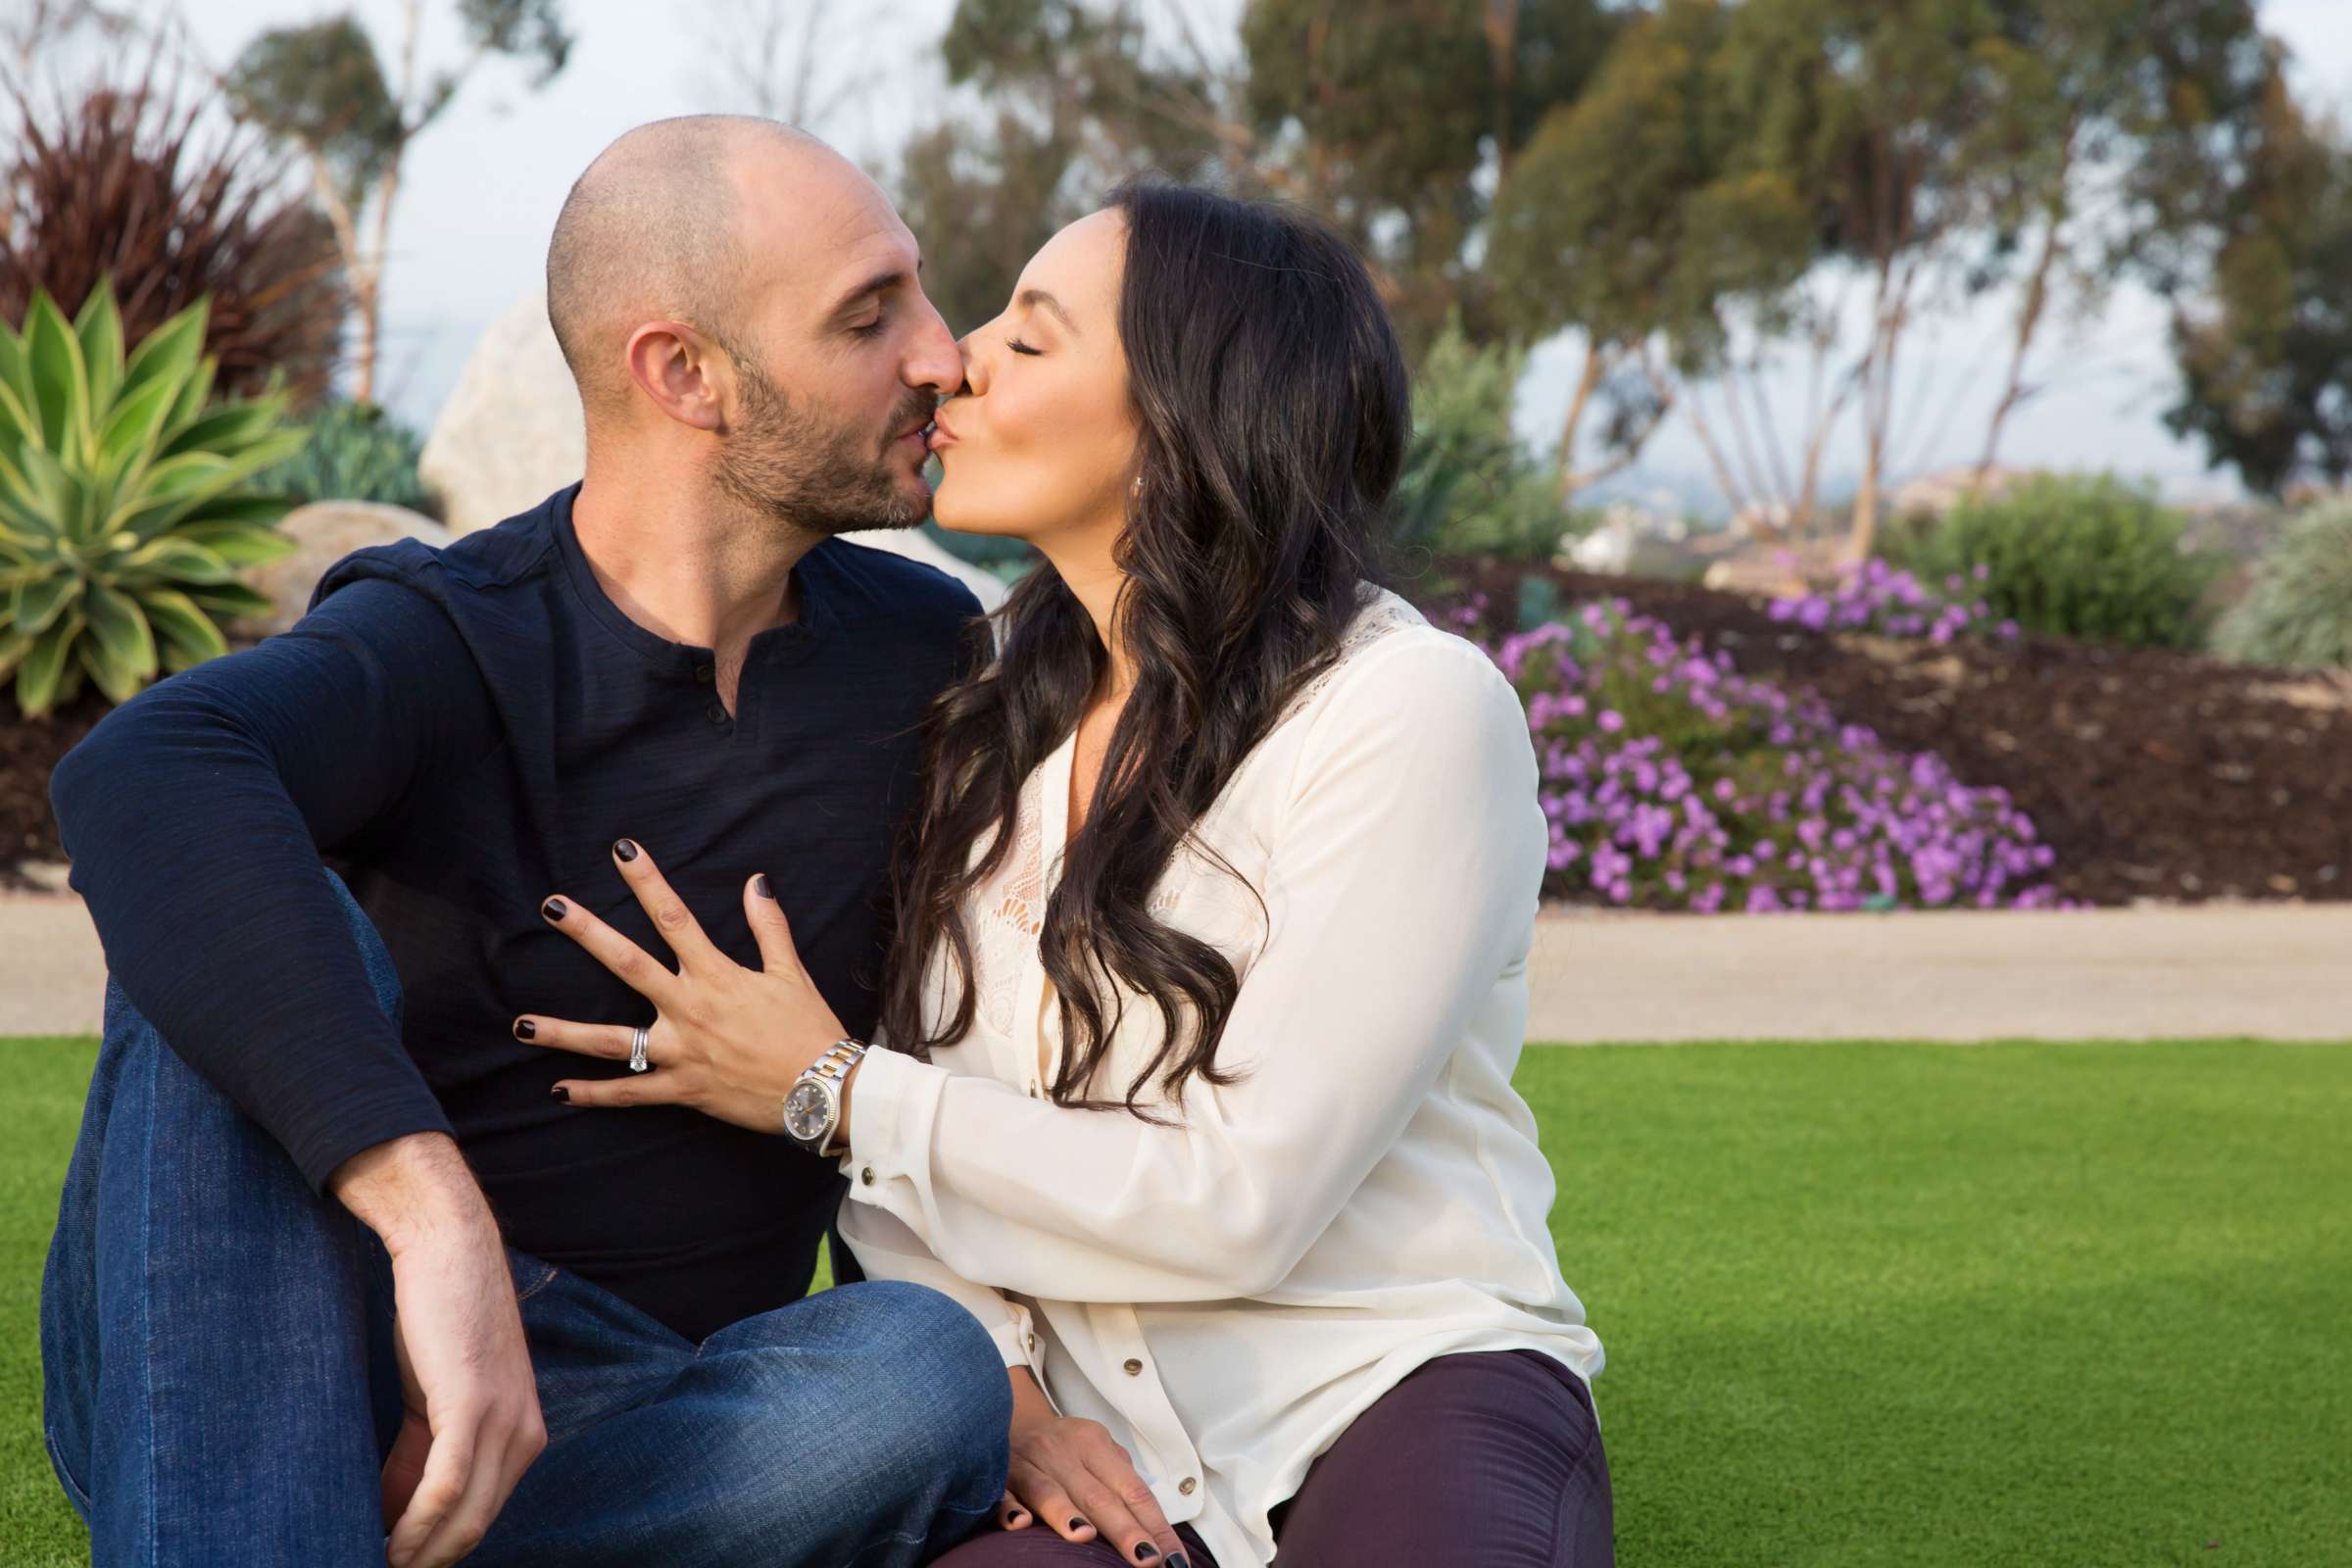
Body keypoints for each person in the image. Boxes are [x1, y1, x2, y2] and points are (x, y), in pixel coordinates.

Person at [518, 181, 1613, 1568]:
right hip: (1083, 1424)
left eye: (1027, 342)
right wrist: (1006, 1384)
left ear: (1180, 421)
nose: (953, 358)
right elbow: (894, 1185)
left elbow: (1246, 1204)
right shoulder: (972, 704)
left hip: (1381, 1376)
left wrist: (832, 1089)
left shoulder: (1405, 712)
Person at [40, 117, 1011, 1567]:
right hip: (302, 1347)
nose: (943, 353)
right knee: (241, 922)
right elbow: (147, 767)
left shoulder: (927, 653)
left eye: (919, 293)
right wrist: (434, 1218)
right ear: (686, 373)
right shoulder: (446, 633)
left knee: (921, 1375)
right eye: (872, 316)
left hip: (654, 1414)